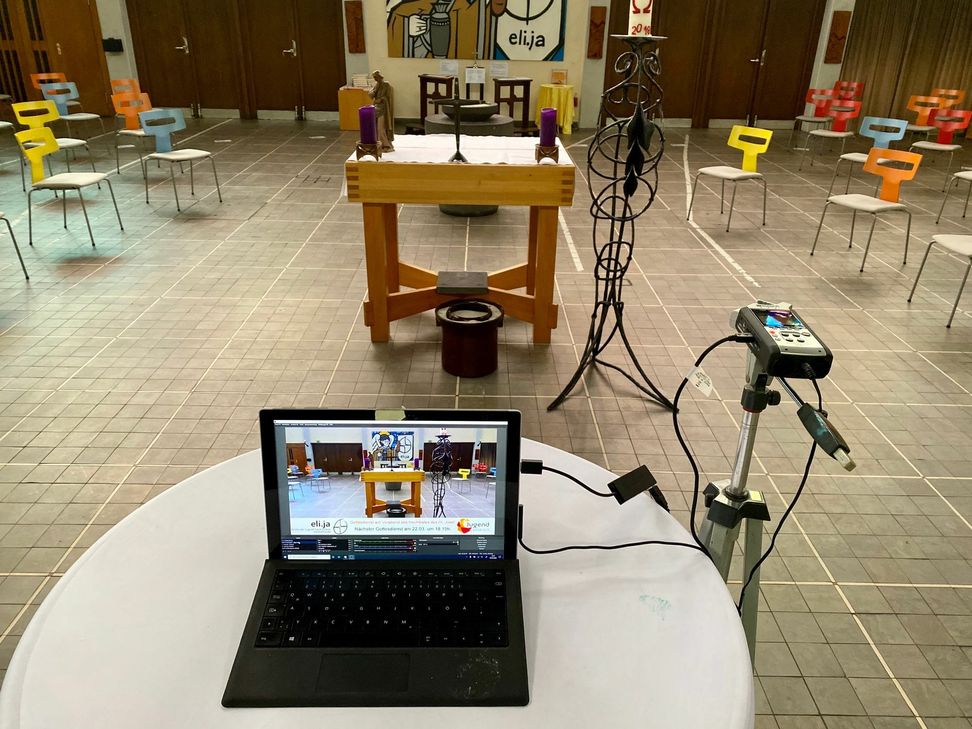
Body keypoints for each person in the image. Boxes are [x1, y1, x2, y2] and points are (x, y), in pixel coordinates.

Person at [369, 70, 395, 152]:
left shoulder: (386, 85)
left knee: (381, 128)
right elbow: (371, 95)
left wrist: (381, 99)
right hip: (376, 108)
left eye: (376, 77)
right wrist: (373, 92)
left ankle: (386, 145)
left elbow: (388, 97)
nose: (375, 79)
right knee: (377, 128)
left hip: (384, 109)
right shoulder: (377, 85)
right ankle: (380, 144)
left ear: (379, 77)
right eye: (374, 78)